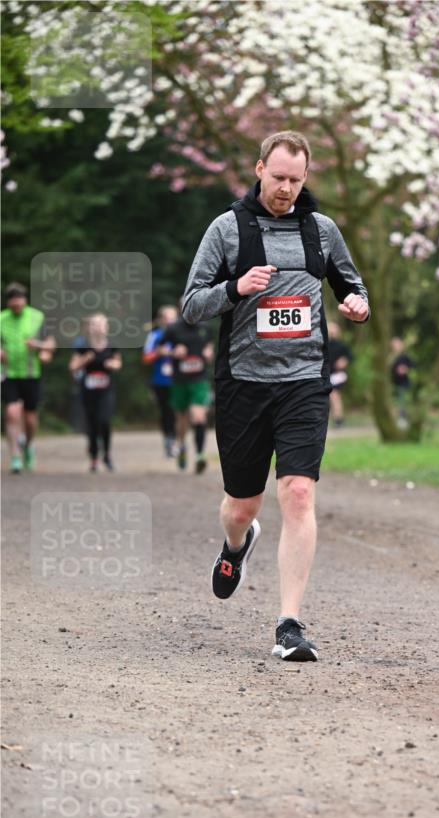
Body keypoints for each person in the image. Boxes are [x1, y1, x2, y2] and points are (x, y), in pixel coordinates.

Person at [182, 130, 369, 661]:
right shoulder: (227, 229)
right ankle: (236, 546)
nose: (286, 188)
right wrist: (235, 289)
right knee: (242, 505)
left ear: (305, 177)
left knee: (299, 493)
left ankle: (289, 625)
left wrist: (357, 305)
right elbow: (192, 304)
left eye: (296, 179)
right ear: (260, 168)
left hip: (305, 382)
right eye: (278, 177)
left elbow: (351, 287)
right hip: (243, 383)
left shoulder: (322, 232)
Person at [0, 281, 55, 473]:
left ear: (25, 300)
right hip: (8, 373)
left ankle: (29, 445)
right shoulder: (1, 319)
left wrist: (39, 347)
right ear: (8, 302)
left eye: (19, 299)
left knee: (30, 419)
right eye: (12, 300)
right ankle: (15, 456)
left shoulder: (36, 317)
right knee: (12, 412)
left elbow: (50, 345)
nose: (16, 303)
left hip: (32, 374)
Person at [159, 303, 213, 473]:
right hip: (179, 380)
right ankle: (182, 446)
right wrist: (172, 352)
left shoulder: (205, 327)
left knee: (198, 416)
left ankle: (199, 456)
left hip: (199, 379)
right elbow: (159, 348)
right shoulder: (173, 329)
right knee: (181, 419)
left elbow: (209, 345)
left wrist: (208, 352)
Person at [69, 313, 122, 472]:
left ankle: (107, 455)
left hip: (106, 391)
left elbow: (119, 363)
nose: (98, 327)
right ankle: (93, 458)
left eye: (101, 324)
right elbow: (72, 367)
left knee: (104, 421)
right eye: (95, 324)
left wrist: (113, 364)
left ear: (106, 328)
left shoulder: (112, 346)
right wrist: (86, 359)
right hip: (88, 392)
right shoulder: (83, 346)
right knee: (92, 424)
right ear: (89, 328)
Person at [143, 304, 178, 456]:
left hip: (179, 379)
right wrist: (158, 352)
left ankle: (176, 441)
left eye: (172, 318)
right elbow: (146, 358)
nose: (169, 321)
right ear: (161, 320)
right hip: (160, 381)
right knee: (165, 412)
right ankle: (168, 439)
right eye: (166, 318)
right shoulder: (154, 336)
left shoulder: (181, 334)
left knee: (178, 411)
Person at [327, 321, 353, 428]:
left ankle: (338, 418)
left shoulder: (342, 345)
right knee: (331, 397)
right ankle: (337, 418)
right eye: (330, 330)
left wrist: (344, 361)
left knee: (334, 395)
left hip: (338, 375)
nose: (332, 332)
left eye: (334, 329)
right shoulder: (324, 345)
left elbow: (350, 357)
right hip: (327, 375)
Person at [390, 335, 415, 429]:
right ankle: (396, 419)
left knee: (402, 401)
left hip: (403, 382)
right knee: (394, 402)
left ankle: (402, 419)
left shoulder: (405, 356)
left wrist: (405, 369)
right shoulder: (390, 357)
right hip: (393, 382)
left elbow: (412, 366)